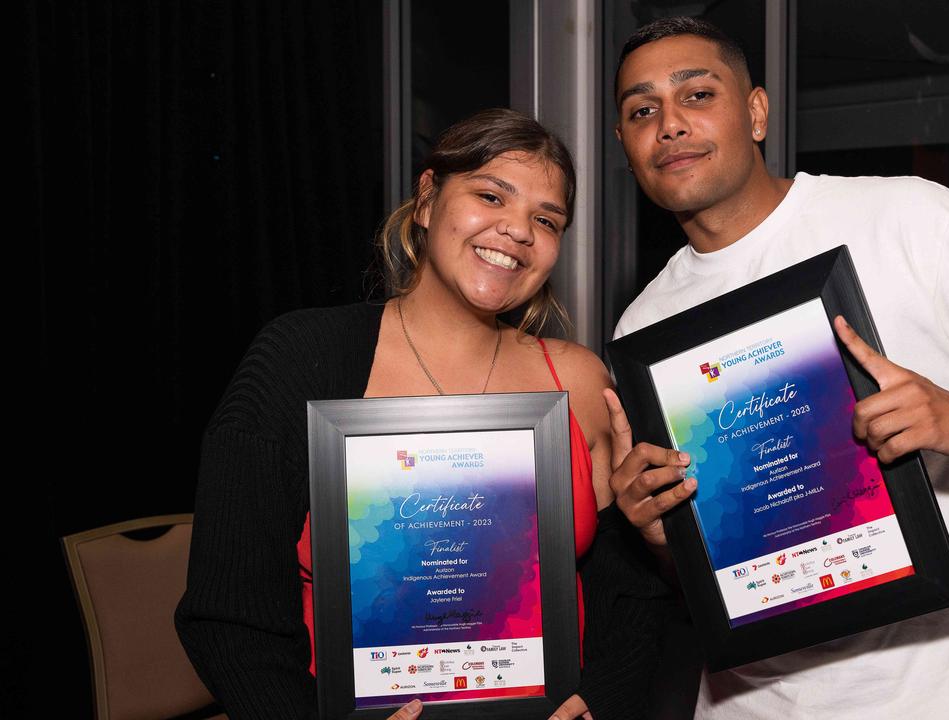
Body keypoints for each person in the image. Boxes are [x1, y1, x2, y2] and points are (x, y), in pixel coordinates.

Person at [602, 17, 949, 718]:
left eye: (696, 95)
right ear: (626, 146)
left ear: (755, 112)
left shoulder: (910, 219)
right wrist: (664, 534)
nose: (669, 124)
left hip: (936, 700)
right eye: (642, 110)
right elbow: (703, 571)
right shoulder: (644, 326)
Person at [176, 109, 667, 720]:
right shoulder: (301, 359)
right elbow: (228, 614)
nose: (518, 231)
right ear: (429, 199)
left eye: (546, 220)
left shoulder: (580, 380)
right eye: (491, 195)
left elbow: (630, 589)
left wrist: (597, 700)